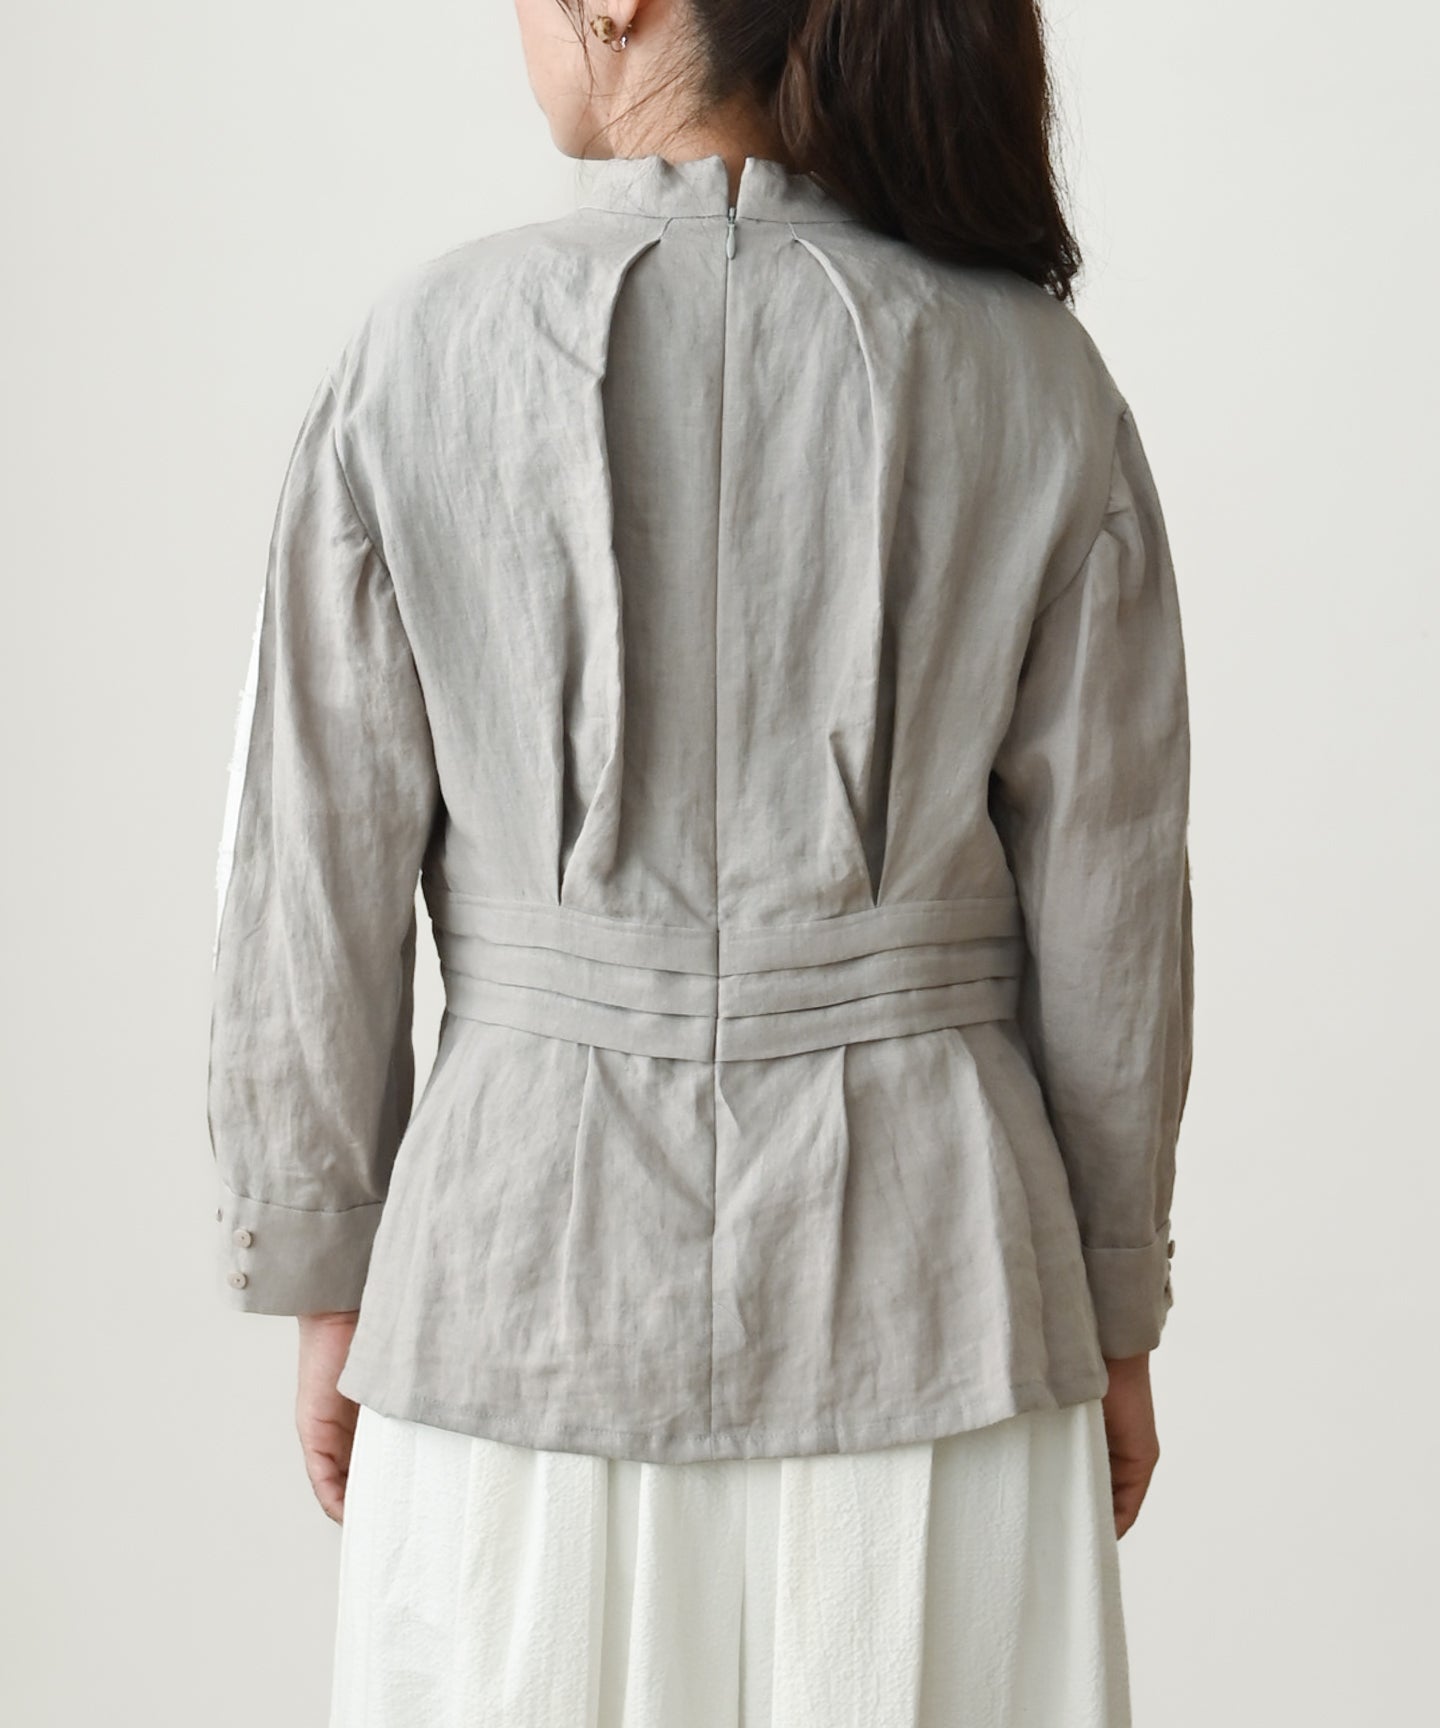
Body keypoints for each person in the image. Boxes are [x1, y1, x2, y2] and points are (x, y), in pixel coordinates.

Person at [206, 0, 1195, 1722]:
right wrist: (1112, 1303)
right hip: (946, 1316)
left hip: (511, 1305)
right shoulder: (1038, 379)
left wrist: (325, 1274)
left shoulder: (413, 357)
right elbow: (1119, 906)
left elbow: (309, 880)